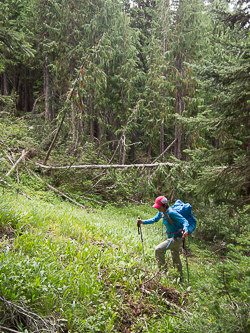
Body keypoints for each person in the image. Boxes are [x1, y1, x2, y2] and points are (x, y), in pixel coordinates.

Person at [137, 195, 189, 278]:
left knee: (158, 249)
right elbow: (154, 219)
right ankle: (179, 277)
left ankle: (162, 273)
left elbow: (184, 221)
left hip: (177, 238)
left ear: (164, 205)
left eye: (159, 207)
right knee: (175, 256)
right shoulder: (161, 212)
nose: (157, 208)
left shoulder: (171, 212)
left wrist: (186, 230)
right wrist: (143, 222)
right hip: (171, 236)